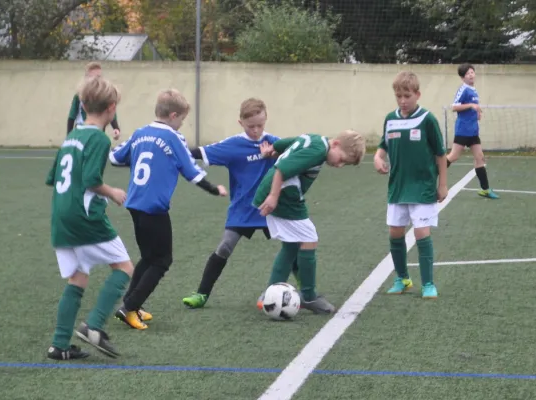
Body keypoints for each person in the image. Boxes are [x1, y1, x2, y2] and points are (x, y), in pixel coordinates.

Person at [109, 89, 227, 330]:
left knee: (149, 257)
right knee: (162, 261)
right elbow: (191, 172)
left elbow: (116, 158)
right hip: (155, 207)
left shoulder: (140, 133)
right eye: (182, 119)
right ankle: (129, 307)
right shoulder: (175, 138)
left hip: (134, 204)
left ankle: (131, 304)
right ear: (173, 115)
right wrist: (214, 189)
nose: (182, 124)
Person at [182, 98, 303, 309]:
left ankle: (306, 292)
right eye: (251, 126)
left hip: (271, 209)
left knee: (291, 246)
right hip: (242, 209)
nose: (256, 130)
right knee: (224, 247)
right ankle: (201, 294)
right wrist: (172, 151)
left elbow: (299, 152)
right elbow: (198, 153)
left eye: (260, 125)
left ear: (266, 120)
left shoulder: (276, 142)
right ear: (241, 123)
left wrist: (276, 153)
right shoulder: (233, 145)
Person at [46, 75, 133, 360]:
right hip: (84, 217)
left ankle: (59, 345)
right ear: (111, 108)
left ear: (82, 105)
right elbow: (92, 179)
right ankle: (93, 326)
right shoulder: (98, 138)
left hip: (61, 216)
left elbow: (52, 177)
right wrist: (113, 192)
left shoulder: (71, 137)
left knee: (78, 278)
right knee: (124, 267)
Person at [253, 130, 366, 314]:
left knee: (292, 244)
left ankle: (270, 294)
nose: (339, 165)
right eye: (342, 159)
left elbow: (289, 141)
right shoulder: (318, 151)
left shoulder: (315, 139)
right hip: (283, 195)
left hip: (281, 193)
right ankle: (308, 296)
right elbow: (282, 168)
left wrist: (272, 149)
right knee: (309, 238)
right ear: (336, 144)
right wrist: (273, 197)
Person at [373, 71, 448, 299]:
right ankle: (403, 279)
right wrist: (378, 157)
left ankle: (428, 284)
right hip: (397, 186)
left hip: (423, 186)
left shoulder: (427, 119)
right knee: (395, 233)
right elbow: (383, 145)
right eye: (398, 96)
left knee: (421, 233)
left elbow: (440, 154)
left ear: (417, 94)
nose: (403, 100)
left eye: (407, 95)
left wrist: (442, 184)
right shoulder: (390, 119)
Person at [446, 63, 498, 199]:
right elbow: (454, 107)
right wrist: (471, 105)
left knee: (480, 158)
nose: (471, 75)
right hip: (463, 130)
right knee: (453, 157)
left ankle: (485, 190)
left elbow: (473, 107)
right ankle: (430, 173)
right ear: (463, 77)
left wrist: (477, 112)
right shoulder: (463, 89)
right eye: (468, 73)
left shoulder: (474, 90)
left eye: (472, 72)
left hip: (473, 131)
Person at [67, 61, 121, 140]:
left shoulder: (105, 96)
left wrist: (116, 128)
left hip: (98, 132)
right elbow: (71, 117)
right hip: (81, 133)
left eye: (99, 77)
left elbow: (111, 112)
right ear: (86, 79)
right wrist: (69, 136)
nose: (96, 80)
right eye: (93, 77)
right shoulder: (79, 96)